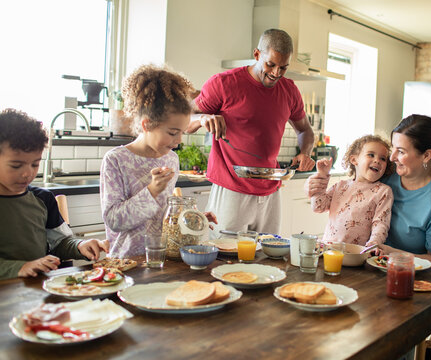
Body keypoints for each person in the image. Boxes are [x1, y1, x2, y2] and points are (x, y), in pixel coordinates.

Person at [186, 28, 315, 238]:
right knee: (224, 256)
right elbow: (182, 120)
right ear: (257, 55)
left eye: (283, 67)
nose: (276, 73)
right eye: (270, 65)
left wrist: (306, 152)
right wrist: (202, 119)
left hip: (271, 191)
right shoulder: (223, 84)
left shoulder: (289, 90)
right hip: (231, 189)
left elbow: (305, 130)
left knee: (268, 258)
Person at [100, 64, 217, 258]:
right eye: (172, 133)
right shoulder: (116, 160)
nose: (179, 141)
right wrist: (152, 190)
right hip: (127, 263)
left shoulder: (171, 158)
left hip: (162, 260)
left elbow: (163, 218)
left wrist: (192, 219)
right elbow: (114, 220)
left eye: (182, 132)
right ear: (147, 124)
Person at [0, 108, 109, 280]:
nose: (27, 173)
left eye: (35, 164)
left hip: (37, 291)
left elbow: (60, 242)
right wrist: (20, 267)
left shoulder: (42, 199)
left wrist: (80, 245)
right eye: (16, 165)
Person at [376, 114, 431, 267]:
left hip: (410, 281)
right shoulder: (384, 174)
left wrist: (395, 254)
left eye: (401, 151)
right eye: (393, 148)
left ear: (426, 156)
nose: (392, 157)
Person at [305, 135, 394, 246]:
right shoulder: (340, 186)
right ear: (354, 159)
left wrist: (374, 243)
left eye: (383, 158)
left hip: (355, 255)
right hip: (328, 250)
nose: (377, 160)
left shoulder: (383, 192)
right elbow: (318, 207)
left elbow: (381, 223)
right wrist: (322, 176)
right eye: (371, 155)